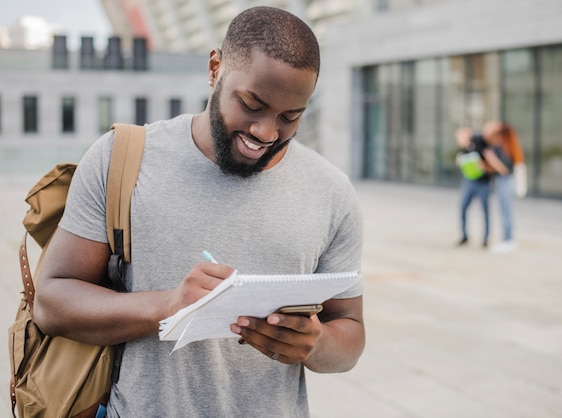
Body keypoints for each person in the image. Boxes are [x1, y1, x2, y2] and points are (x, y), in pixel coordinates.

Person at [33, 7, 364, 417]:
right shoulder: (121, 158)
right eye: (251, 104)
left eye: (289, 117)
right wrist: (167, 305)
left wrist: (316, 344)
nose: (265, 132)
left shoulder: (331, 191)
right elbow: (51, 302)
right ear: (215, 69)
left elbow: (350, 334)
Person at [455, 124, 509, 248]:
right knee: (463, 208)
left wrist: (484, 167)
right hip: (469, 181)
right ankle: (464, 236)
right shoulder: (472, 141)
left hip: (483, 183)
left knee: (485, 211)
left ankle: (486, 238)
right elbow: (463, 139)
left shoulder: (491, 146)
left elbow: (497, 168)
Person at [484, 122, 525, 253]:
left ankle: (508, 240)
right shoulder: (502, 147)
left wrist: (491, 159)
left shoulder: (505, 149)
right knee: (504, 211)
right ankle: (507, 239)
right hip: (502, 181)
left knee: (506, 211)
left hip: (505, 182)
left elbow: (504, 170)